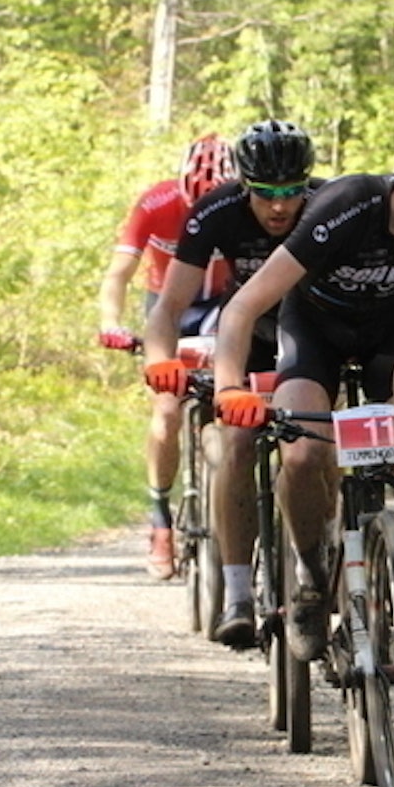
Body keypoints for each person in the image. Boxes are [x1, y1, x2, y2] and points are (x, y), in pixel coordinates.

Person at [211, 137, 394, 708]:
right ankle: (310, 577)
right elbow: (244, 306)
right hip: (312, 329)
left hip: (391, 333)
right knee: (303, 451)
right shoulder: (349, 205)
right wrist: (228, 386)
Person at [143, 119, 319, 645]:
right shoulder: (215, 211)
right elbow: (168, 307)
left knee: (315, 448)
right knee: (237, 442)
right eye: (265, 194)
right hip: (251, 332)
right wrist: (160, 360)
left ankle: (318, 559)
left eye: (291, 192)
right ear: (244, 185)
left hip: (317, 334)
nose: (280, 207)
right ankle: (238, 594)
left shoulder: (329, 206)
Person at [96, 133, 236, 579]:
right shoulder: (154, 203)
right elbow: (118, 274)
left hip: (224, 305)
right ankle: (160, 519)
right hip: (167, 307)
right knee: (167, 409)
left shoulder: (245, 207)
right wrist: (111, 322)